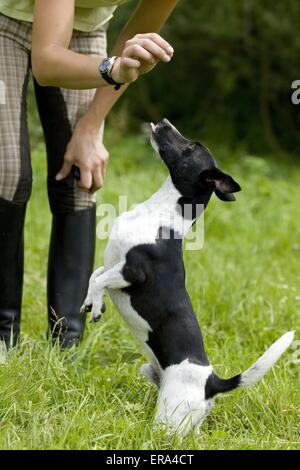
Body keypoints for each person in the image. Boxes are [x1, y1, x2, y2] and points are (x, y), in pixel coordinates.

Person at [0, 0, 178, 349]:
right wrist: (111, 68)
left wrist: (92, 125)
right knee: (7, 171)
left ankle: (66, 340)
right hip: (5, 22)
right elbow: (47, 62)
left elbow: (134, 37)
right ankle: (2, 336)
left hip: (86, 27)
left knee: (82, 176)